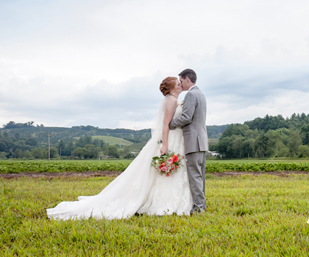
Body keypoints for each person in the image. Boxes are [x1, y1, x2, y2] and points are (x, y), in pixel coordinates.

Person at [47, 77, 193, 219]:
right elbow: (165, 124)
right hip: (170, 139)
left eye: (181, 83)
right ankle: (162, 201)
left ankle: (169, 198)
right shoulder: (172, 101)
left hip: (176, 139)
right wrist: (165, 145)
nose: (181, 85)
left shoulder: (174, 100)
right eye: (178, 84)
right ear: (172, 88)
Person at [169, 68, 208, 215]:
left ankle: (199, 208)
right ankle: (202, 205)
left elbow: (187, 117)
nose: (180, 84)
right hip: (201, 142)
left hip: (193, 141)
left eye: (180, 81)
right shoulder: (201, 94)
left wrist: (170, 124)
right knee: (200, 176)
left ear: (187, 79)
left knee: (195, 176)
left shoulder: (191, 94)